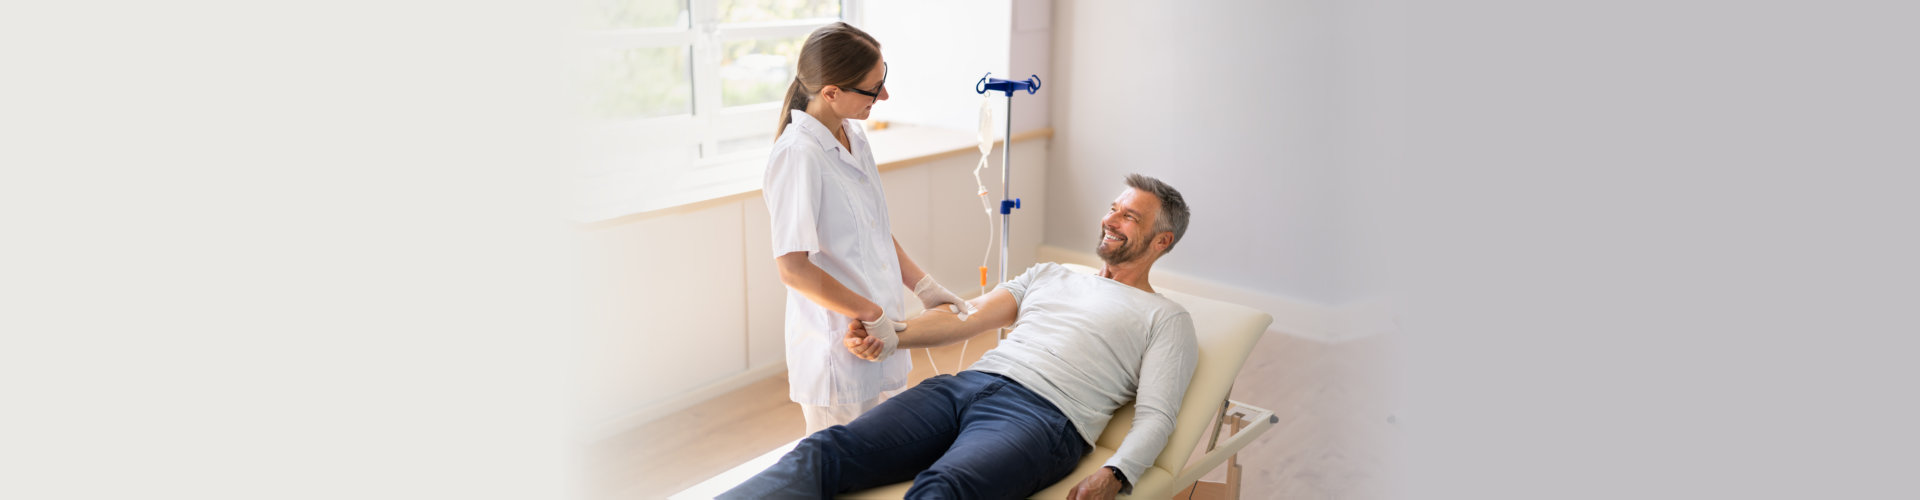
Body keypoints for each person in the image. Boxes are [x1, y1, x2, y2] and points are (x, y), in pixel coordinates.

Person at [723, 174, 1197, 500]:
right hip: (963, 387)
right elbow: (966, 319)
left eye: (1129, 217)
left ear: (1162, 241)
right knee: (824, 451)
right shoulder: (1051, 274)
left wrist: (1117, 473)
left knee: (943, 489)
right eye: (1113, 209)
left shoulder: (1166, 317)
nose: (1110, 220)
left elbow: (1157, 414)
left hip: (1045, 418)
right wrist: (891, 333)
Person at [764, 22, 975, 435]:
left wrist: (925, 286)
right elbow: (792, 268)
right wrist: (870, 313)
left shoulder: (854, 137)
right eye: (872, 88)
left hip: (881, 335)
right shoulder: (798, 155)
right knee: (844, 471)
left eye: (884, 80)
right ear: (831, 92)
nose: (885, 96)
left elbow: (874, 230)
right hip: (840, 347)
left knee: (886, 458)